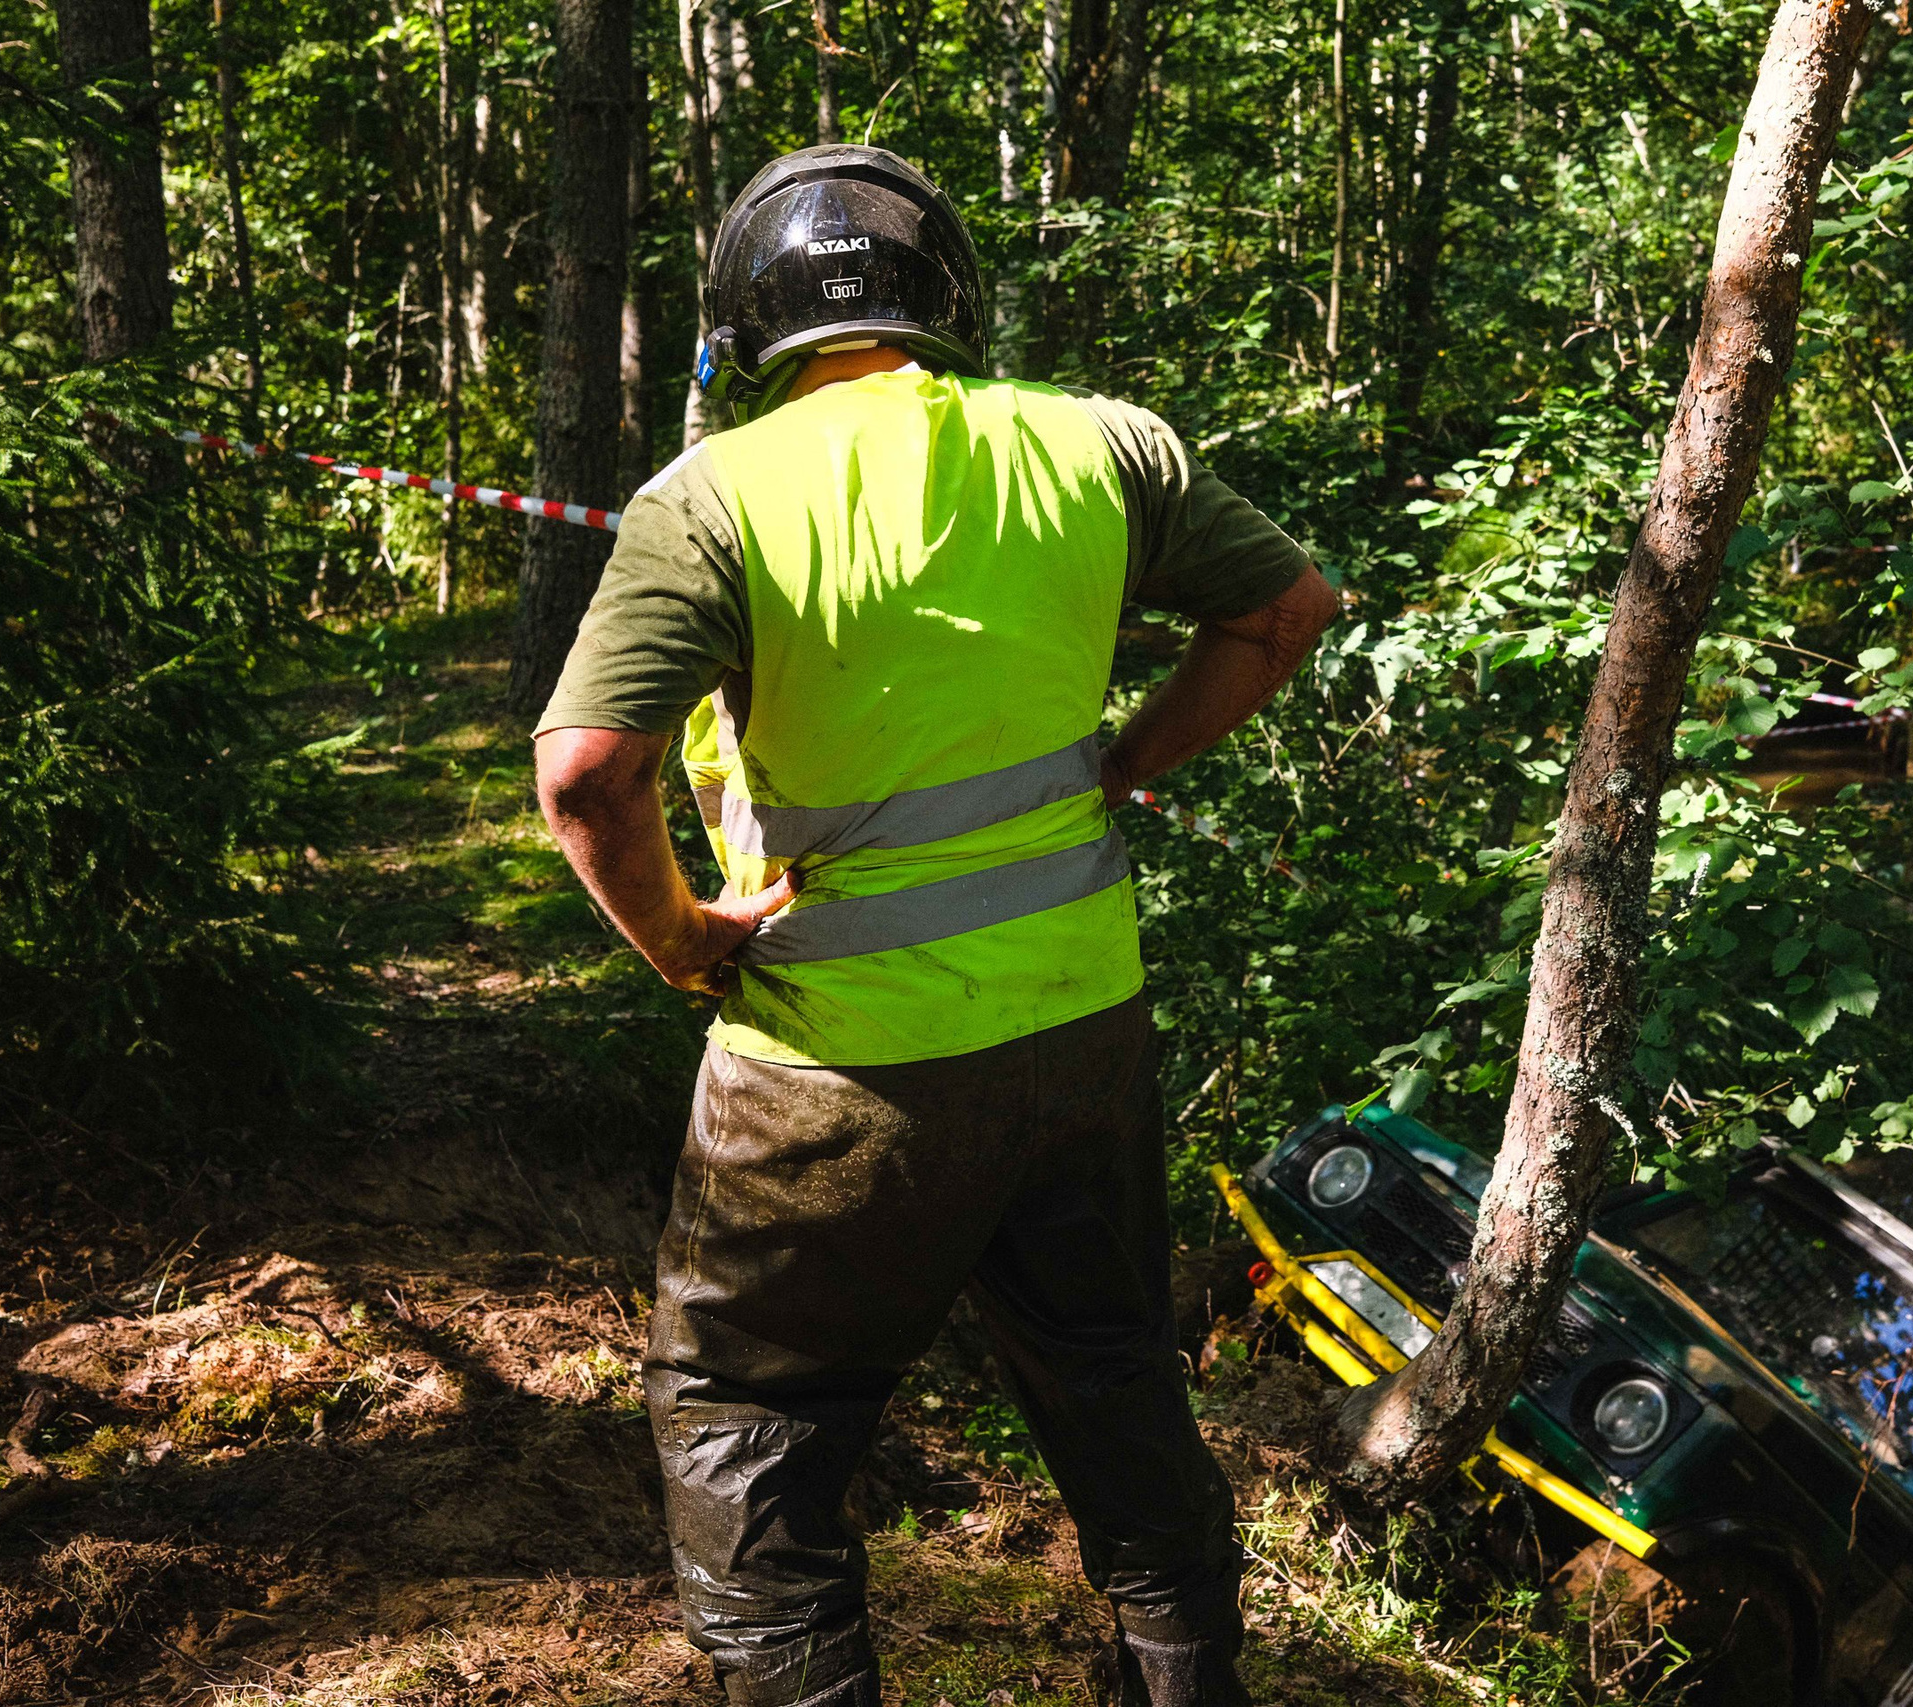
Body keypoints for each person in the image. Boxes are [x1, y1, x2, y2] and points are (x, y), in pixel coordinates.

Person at [532, 144, 1337, 1707]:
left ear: (743, 321)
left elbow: (585, 776)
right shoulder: (1101, 444)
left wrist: (684, 941)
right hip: (1082, 1028)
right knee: (1109, 1371)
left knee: (746, 1413)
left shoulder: (709, 499)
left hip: (831, 1065)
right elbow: (1285, 612)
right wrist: (1124, 765)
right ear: (946, 290)